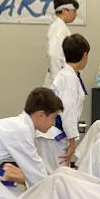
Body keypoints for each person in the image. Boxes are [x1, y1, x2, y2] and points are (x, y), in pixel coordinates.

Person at [36, 33, 90, 168]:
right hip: (54, 136)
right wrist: (72, 141)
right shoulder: (69, 78)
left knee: (52, 174)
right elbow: (67, 111)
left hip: (52, 135)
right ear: (84, 55)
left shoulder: (66, 75)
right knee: (55, 175)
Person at [43, 0, 79, 88]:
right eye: (74, 11)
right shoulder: (58, 28)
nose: (76, 14)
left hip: (62, 77)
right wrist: (58, 81)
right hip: (57, 80)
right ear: (64, 10)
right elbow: (54, 55)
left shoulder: (61, 26)